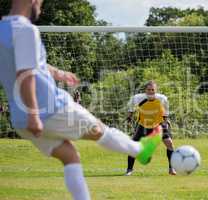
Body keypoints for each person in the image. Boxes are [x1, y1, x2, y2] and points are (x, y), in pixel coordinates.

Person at [0, 1, 161, 199]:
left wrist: (58, 73)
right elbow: (27, 74)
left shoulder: (2, 29)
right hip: (50, 108)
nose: (40, 6)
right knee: (101, 130)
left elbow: (30, 63)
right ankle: (139, 150)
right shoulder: (26, 30)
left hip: (20, 119)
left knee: (70, 156)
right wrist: (34, 113)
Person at [125, 80, 176, 176]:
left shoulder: (162, 99)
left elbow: (165, 111)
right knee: (133, 147)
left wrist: (166, 120)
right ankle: (129, 170)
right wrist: (129, 117)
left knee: (169, 143)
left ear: (156, 90)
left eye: (153, 90)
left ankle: (171, 168)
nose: (151, 91)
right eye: (149, 89)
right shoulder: (137, 98)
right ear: (145, 90)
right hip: (143, 125)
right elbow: (131, 108)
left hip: (159, 124)